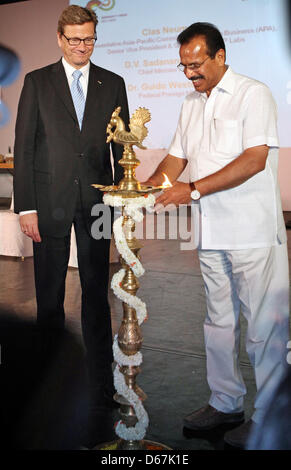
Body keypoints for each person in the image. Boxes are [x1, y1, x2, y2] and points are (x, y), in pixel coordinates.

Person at [146, 22, 290, 449]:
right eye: (183, 65)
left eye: (196, 63)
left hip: (252, 231)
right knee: (218, 324)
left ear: (220, 56)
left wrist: (190, 190)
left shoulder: (253, 93)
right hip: (210, 233)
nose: (190, 73)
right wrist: (141, 187)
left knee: (265, 328)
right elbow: (176, 157)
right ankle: (226, 402)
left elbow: (254, 159)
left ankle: (271, 416)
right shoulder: (192, 104)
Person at [13, 5, 129, 447]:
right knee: (50, 300)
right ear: (60, 39)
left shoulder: (113, 83)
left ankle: (102, 388)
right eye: (76, 40)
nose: (83, 47)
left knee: (98, 298)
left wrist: (122, 199)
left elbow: (122, 151)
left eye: (90, 40)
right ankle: (46, 388)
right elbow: (24, 148)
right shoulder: (37, 82)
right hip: (49, 204)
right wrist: (26, 208)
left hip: (97, 204)